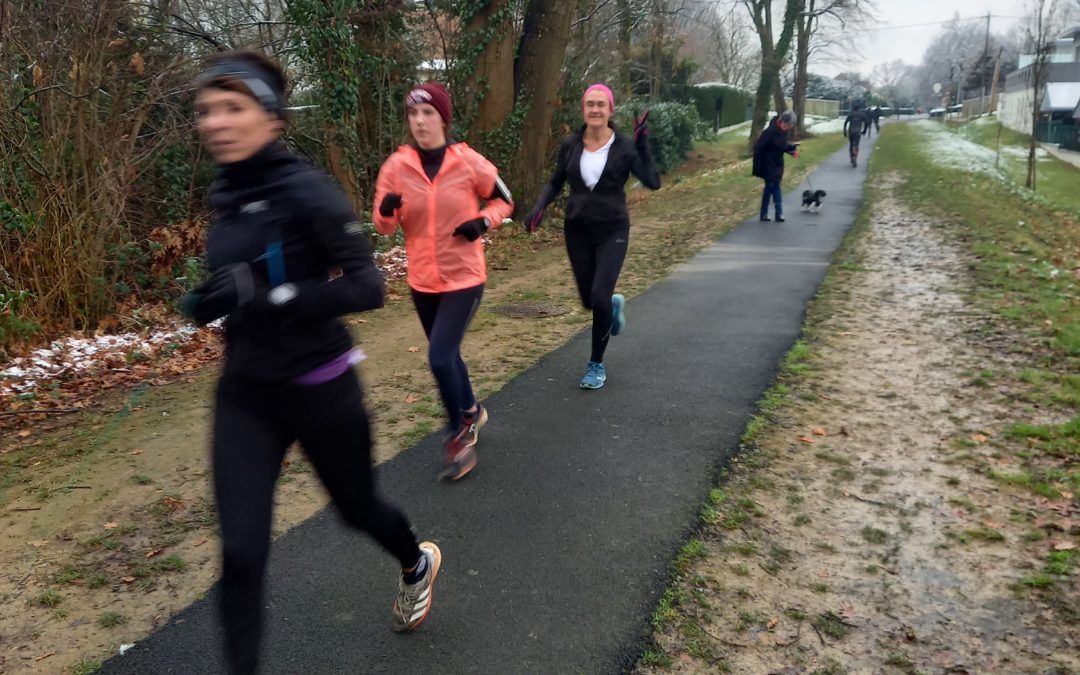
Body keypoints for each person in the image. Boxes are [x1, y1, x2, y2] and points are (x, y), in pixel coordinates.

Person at [182, 50, 441, 674]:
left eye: (233, 107)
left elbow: (366, 287)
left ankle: (415, 561)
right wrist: (208, 301)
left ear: (271, 118)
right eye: (206, 111)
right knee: (241, 553)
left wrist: (269, 294)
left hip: (320, 386)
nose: (216, 122)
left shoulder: (307, 190)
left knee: (358, 509)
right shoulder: (224, 194)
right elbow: (239, 281)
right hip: (246, 393)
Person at [373, 82, 513, 481]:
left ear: (443, 118)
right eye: (413, 114)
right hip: (423, 280)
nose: (419, 121)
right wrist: (385, 211)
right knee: (447, 354)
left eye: (428, 113)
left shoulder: (469, 162)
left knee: (439, 356)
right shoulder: (396, 167)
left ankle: (460, 433)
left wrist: (483, 221)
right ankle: (472, 408)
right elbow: (382, 227)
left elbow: (505, 199)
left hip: (465, 276)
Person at [522, 83, 660, 390]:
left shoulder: (624, 146)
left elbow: (653, 182)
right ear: (584, 110)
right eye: (590, 104)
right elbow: (556, 181)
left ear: (611, 110)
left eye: (601, 104)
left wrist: (643, 147)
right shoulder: (571, 145)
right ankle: (610, 308)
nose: (595, 109)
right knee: (589, 300)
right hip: (577, 231)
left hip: (613, 230)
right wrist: (538, 207)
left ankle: (596, 364)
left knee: (599, 296)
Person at [752, 110, 798, 223]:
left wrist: (791, 150)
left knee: (775, 185)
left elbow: (781, 145)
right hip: (767, 163)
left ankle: (775, 214)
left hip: (777, 163)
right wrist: (758, 166)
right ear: (782, 122)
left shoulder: (782, 131)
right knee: (771, 186)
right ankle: (769, 213)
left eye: (791, 125)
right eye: (788, 125)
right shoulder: (770, 132)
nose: (789, 127)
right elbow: (758, 148)